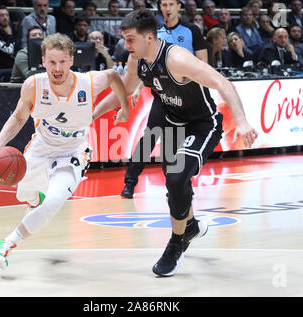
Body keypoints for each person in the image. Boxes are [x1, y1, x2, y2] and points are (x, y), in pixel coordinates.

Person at [93, 9, 258, 277]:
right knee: (175, 184)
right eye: (124, 39)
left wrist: (241, 121)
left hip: (201, 124)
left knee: (177, 176)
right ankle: (189, 226)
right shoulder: (137, 60)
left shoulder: (177, 59)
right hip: (173, 123)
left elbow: (222, 82)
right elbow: (123, 90)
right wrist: (88, 117)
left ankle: (176, 243)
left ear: (149, 37)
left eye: (130, 39)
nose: (125, 46)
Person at [0, 33, 130, 270]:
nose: (57, 68)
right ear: (43, 61)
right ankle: (35, 199)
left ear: (71, 60)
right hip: (42, 146)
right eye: (52, 62)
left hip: (74, 151)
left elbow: (115, 76)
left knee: (53, 202)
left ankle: (6, 243)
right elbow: (18, 118)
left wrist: (124, 107)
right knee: (24, 195)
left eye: (62, 61)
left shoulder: (89, 82)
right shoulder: (34, 85)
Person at [120, 0, 209, 199]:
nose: (167, 8)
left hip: (186, 95)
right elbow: (148, 65)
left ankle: (179, 187)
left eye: (171, 4)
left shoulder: (191, 30)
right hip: (162, 95)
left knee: (176, 145)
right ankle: (130, 182)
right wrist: (138, 87)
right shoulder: (154, 33)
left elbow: (204, 64)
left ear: (179, 6)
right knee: (150, 136)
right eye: (164, 4)